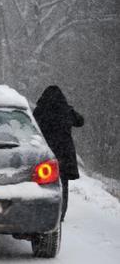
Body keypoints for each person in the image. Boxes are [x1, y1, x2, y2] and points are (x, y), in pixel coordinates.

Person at [33, 85, 84, 222]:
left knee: (44, 182)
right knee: (63, 183)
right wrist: (69, 109)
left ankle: (45, 210)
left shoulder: (40, 110)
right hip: (64, 152)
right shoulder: (66, 111)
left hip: (47, 151)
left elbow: (32, 125)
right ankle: (61, 214)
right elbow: (80, 121)